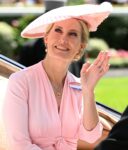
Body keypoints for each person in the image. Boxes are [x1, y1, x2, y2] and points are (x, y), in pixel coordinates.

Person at [3, 2, 113, 150]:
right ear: (46, 38)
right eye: (58, 30)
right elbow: (19, 145)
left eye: (72, 34)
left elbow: (91, 136)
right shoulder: (21, 81)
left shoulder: (77, 86)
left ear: (81, 46)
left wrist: (88, 91)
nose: (63, 39)